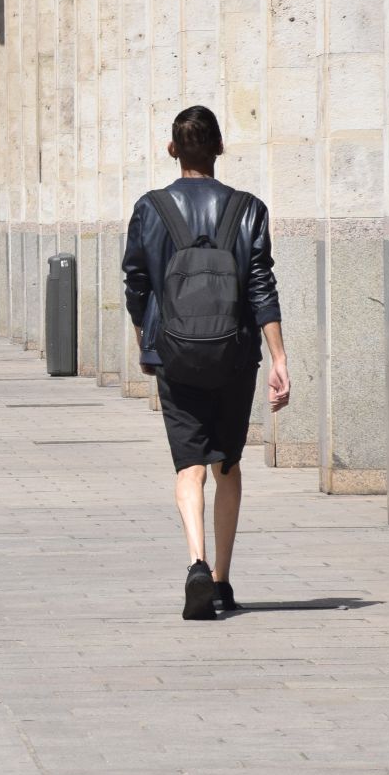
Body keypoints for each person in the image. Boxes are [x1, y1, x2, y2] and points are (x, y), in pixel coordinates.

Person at [122, 105, 290, 621]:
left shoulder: (151, 209)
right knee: (228, 464)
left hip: (175, 353)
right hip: (235, 355)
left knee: (189, 465)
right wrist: (280, 356)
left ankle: (194, 560)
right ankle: (220, 580)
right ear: (218, 147)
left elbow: (136, 283)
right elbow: (261, 284)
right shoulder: (249, 208)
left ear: (172, 150)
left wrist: (147, 340)